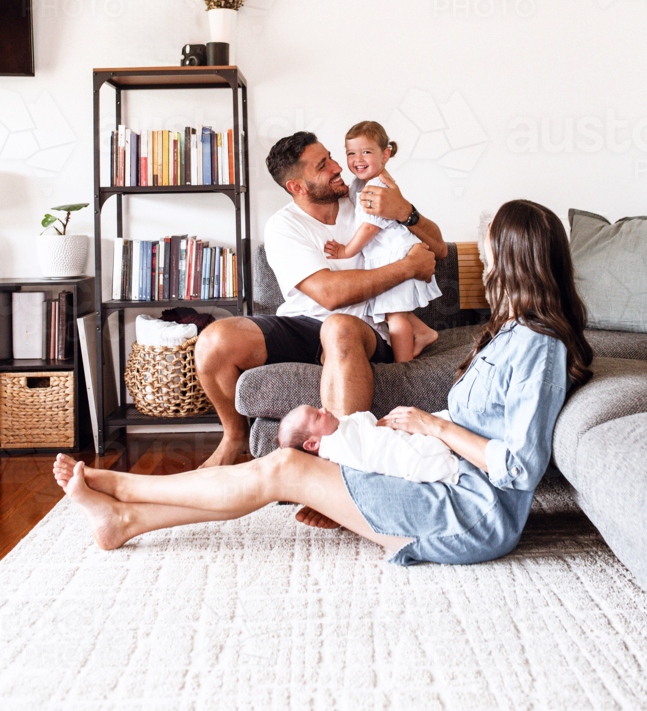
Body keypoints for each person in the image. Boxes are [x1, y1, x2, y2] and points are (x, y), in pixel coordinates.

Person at [53, 199, 593, 566]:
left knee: (287, 466)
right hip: (441, 478)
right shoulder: (508, 334)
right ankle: (123, 519)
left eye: (490, 243)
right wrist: (401, 437)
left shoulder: (539, 346)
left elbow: (520, 469)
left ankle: (123, 491)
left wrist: (433, 425)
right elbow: (474, 423)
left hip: (467, 514)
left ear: (515, 258)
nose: (486, 255)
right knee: (291, 468)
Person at [192, 131, 446, 503]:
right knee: (215, 340)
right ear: (297, 186)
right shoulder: (285, 226)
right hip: (302, 323)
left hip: (362, 328)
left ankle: (338, 478)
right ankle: (233, 437)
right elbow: (328, 294)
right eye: (323, 165)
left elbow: (437, 247)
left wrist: (405, 212)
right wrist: (406, 268)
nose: (338, 167)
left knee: (338, 326)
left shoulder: (366, 198)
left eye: (331, 157)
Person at [324, 121, 441, 361]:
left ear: (385, 154)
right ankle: (424, 333)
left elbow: (368, 228)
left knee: (395, 315)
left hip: (395, 254)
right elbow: (353, 196)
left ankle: (404, 366)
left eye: (366, 152)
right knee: (391, 309)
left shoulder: (375, 188)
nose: (358, 159)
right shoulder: (364, 183)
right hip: (390, 253)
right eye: (351, 153)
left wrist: (346, 251)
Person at [277, 405, 460, 484]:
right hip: (421, 458)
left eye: (318, 408)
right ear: (312, 444)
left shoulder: (338, 431)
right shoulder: (335, 448)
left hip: (403, 441)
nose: (324, 409)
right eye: (317, 416)